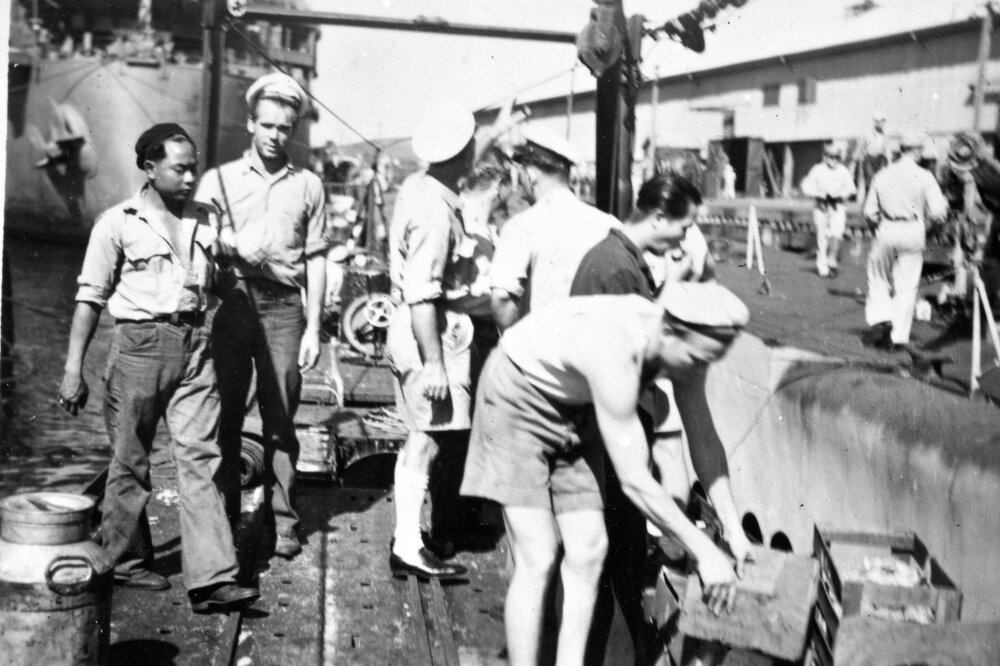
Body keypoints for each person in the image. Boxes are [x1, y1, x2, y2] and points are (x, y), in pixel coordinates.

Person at [461, 283, 754, 666]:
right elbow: (635, 481)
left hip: (574, 405)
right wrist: (706, 552)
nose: (700, 369)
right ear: (668, 331)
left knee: (589, 549)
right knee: (539, 553)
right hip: (518, 395)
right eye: (699, 360)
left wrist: (733, 531)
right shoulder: (615, 348)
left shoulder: (687, 345)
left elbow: (705, 441)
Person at [58, 123, 259, 614]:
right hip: (138, 348)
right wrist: (72, 370)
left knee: (202, 458)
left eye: (194, 166)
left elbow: (227, 281)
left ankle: (212, 581)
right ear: (149, 169)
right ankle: (125, 561)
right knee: (132, 460)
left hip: (197, 346)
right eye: (180, 168)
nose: (192, 177)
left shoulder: (205, 220)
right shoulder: (116, 224)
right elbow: (89, 300)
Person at [569, 172, 707, 664]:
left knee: (621, 557)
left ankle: (621, 649)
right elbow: (642, 356)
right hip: (606, 433)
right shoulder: (617, 270)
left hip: (605, 426)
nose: (685, 237)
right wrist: (683, 285)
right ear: (659, 217)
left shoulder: (617, 260)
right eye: (684, 226)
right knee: (617, 556)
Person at [195, 73, 330, 561]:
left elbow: (316, 258)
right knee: (226, 414)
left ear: (293, 130)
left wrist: (314, 327)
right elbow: (197, 242)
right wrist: (230, 242)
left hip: (284, 309)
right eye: (267, 125)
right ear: (251, 123)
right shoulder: (218, 181)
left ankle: (284, 520)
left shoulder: (309, 185)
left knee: (280, 418)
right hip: (232, 304)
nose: (275, 135)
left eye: (285, 128)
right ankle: (226, 517)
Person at [385, 102, 494, 578]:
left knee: (422, 436)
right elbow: (422, 294)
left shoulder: (421, 186)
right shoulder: (434, 212)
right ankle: (408, 546)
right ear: (464, 151)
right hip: (431, 338)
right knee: (426, 440)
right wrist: (434, 364)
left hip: (419, 330)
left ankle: (407, 538)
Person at [490, 125, 620, 329]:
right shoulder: (609, 223)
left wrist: (513, 344)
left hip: (542, 350)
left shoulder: (521, 226)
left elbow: (502, 297)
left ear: (531, 174)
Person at [864, 131, 949, 349]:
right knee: (907, 286)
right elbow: (939, 212)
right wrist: (928, 229)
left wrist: (879, 228)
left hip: (887, 227)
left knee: (878, 276)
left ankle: (882, 319)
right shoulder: (925, 176)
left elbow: (869, 212)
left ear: (900, 150)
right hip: (913, 229)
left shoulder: (882, 175)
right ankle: (898, 337)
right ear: (919, 151)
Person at [800, 143, 857, 278]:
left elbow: (851, 189)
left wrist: (840, 194)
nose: (833, 160)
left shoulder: (843, 170)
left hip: (837, 206)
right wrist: (819, 193)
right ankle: (822, 267)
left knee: (836, 234)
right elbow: (806, 186)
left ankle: (832, 260)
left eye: (836, 157)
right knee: (822, 236)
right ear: (825, 156)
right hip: (822, 206)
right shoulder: (817, 170)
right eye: (830, 156)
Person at [861, 112, 890, 191]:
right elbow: (862, 146)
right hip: (869, 159)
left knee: (879, 179)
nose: (879, 123)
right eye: (877, 121)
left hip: (879, 159)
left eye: (881, 121)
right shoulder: (868, 132)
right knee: (869, 179)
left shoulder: (884, 134)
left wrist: (888, 161)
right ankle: (868, 200)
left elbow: (886, 149)